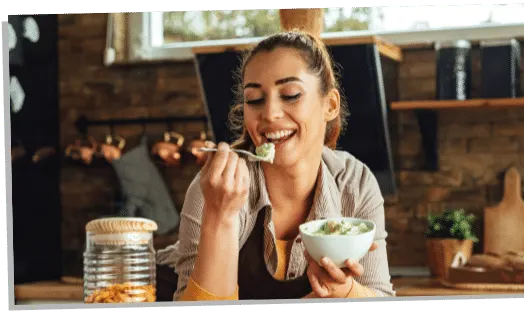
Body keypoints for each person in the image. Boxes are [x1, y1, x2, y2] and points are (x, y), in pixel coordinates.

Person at [156, 30, 395, 301]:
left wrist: (344, 290)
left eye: (291, 94)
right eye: (255, 99)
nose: (269, 114)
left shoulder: (354, 183)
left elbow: (381, 300)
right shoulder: (216, 188)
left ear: (330, 105)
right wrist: (219, 216)